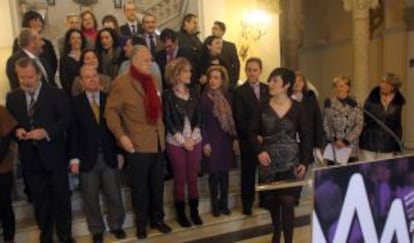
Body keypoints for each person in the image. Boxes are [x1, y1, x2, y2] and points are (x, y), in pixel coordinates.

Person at [105, 46, 171, 239]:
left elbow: (159, 112)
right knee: (140, 189)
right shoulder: (121, 82)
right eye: (145, 60)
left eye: (151, 60)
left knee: (157, 186)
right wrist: (121, 136)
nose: (150, 63)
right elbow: (110, 112)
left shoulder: (155, 80)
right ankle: (141, 223)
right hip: (137, 144)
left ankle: (157, 219)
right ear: (133, 61)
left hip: (157, 143)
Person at [6, 57, 74, 243]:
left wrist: (46, 132)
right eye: (22, 78)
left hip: (55, 157)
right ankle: (46, 236)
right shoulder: (13, 98)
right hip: (30, 160)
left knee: (61, 199)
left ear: (38, 75)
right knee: (40, 202)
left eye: (29, 77)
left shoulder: (56, 94)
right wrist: (16, 131)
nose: (26, 81)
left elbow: (66, 120)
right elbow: (11, 126)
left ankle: (65, 235)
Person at [250, 67, 312, 243]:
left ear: (286, 85)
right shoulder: (261, 106)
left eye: (275, 81)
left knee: (287, 202)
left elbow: (307, 137)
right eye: (270, 80)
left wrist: (305, 162)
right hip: (268, 163)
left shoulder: (299, 108)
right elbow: (251, 132)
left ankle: (289, 240)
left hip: (291, 163)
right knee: (273, 203)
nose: (270, 84)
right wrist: (259, 151)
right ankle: (277, 233)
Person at [69, 65, 126, 243]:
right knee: (90, 197)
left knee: (114, 194)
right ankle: (97, 229)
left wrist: (119, 152)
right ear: (81, 81)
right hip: (87, 158)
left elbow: (118, 128)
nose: (92, 79)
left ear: (99, 78)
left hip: (109, 155)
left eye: (94, 76)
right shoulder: (74, 103)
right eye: (87, 77)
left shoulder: (110, 99)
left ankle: (116, 225)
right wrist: (74, 159)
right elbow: (73, 134)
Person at [163, 57, 203, 227]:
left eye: (190, 71)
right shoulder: (168, 95)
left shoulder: (193, 92)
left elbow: (199, 118)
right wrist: (183, 141)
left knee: (193, 178)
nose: (190, 74)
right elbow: (168, 120)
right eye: (186, 71)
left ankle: (194, 211)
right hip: (175, 142)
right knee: (180, 178)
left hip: (195, 141)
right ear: (177, 74)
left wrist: (193, 139)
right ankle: (181, 214)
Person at [233, 57, 269, 215]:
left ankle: (265, 200)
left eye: (255, 70)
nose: (252, 73)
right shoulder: (239, 92)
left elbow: (271, 114)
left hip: (266, 139)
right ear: (245, 71)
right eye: (249, 70)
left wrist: (263, 134)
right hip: (247, 140)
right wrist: (254, 136)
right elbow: (239, 118)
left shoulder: (268, 89)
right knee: (248, 174)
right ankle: (247, 205)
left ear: (260, 71)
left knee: (265, 172)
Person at [200, 65, 238, 217]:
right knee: (214, 174)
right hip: (212, 139)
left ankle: (224, 204)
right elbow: (201, 122)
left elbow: (233, 120)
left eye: (216, 78)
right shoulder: (203, 99)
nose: (212, 81)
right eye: (210, 78)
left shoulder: (228, 96)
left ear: (222, 80)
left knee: (225, 174)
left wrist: (235, 138)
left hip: (226, 139)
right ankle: (215, 205)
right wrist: (205, 142)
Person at [359, 73, 406, 161]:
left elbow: (397, 125)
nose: (383, 85)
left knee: (383, 172)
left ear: (393, 87)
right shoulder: (372, 99)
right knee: (368, 172)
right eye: (382, 82)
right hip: (369, 142)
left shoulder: (397, 103)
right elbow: (362, 119)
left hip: (387, 145)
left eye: (387, 83)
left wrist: (397, 145)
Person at [323, 75, 364, 164]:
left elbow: (359, 125)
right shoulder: (329, 103)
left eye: (342, 86)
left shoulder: (356, 103)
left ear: (348, 87)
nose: (339, 89)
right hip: (334, 147)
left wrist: (345, 141)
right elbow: (325, 124)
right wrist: (334, 139)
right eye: (336, 86)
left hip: (350, 148)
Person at [12, 10, 58, 85]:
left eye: (40, 20)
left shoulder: (47, 43)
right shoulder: (19, 41)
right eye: (35, 20)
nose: (39, 23)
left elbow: (53, 64)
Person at [292, 71, 324, 166]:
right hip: (293, 144)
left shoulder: (311, 99)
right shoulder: (287, 100)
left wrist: (318, 145)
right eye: (295, 81)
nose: (297, 83)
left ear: (304, 83)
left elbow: (318, 121)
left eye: (300, 80)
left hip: (309, 142)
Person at [0, 106, 17, 243]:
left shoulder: (1, 110)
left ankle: (9, 238)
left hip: (2, 169)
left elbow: (6, 139)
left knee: (5, 205)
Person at [211, 21, 240, 89]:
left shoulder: (230, 46)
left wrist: (233, 82)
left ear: (222, 32)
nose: (213, 31)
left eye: (215, 29)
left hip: (227, 83)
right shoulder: (208, 45)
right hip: (212, 82)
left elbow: (236, 65)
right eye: (212, 29)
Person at [59, 29, 87, 96]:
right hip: (72, 95)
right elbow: (64, 81)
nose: (76, 40)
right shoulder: (64, 59)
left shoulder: (88, 55)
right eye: (73, 38)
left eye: (79, 38)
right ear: (69, 41)